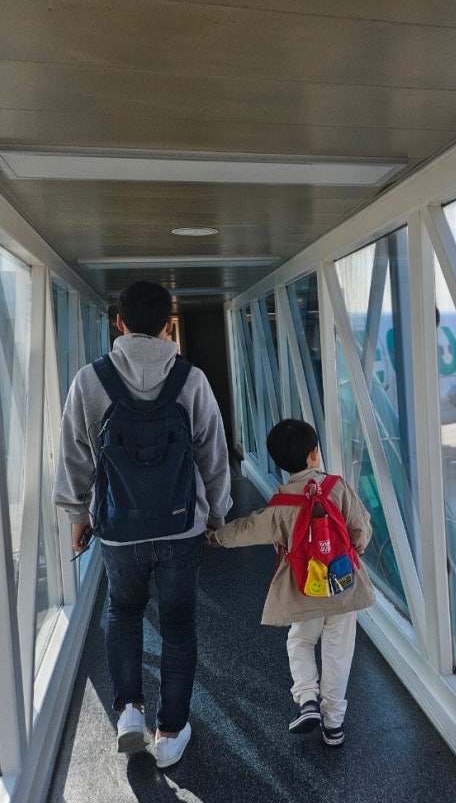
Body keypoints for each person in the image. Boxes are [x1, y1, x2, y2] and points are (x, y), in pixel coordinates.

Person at [54, 281, 232, 768]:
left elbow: (74, 455)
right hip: (182, 527)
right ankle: (170, 732)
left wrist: (77, 514)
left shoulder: (90, 380)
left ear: (119, 322)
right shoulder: (191, 379)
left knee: (124, 612)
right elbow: (213, 455)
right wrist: (216, 515)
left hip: (118, 528)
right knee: (178, 626)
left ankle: (129, 712)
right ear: (169, 325)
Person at [207, 418, 375, 746]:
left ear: (281, 463)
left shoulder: (281, 504)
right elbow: (362, 529)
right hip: (343, 587)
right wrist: (350, 555)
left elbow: (246, 530)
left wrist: (215, 537)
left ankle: (307, 699)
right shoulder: (337, 487)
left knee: (299, 641)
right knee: (338, 653)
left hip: (304, 590)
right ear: (315, 454)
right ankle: (334, 725)